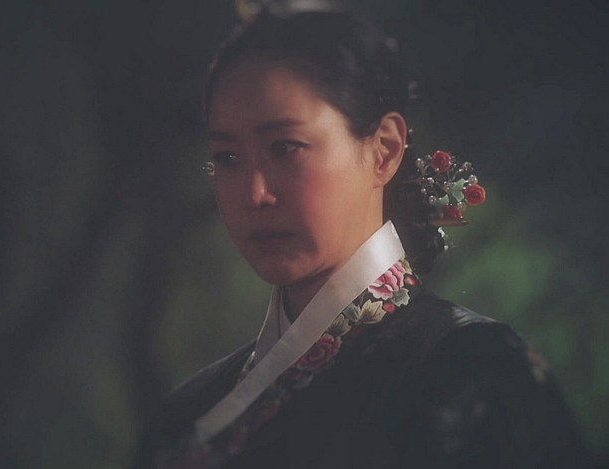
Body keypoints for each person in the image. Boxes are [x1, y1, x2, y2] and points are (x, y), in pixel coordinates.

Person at [137, 4, 591, 468]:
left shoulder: (475, 371)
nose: (255, 193)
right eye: (228, 158)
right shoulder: (187, 412)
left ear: (384, 150)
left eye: (285, 148)